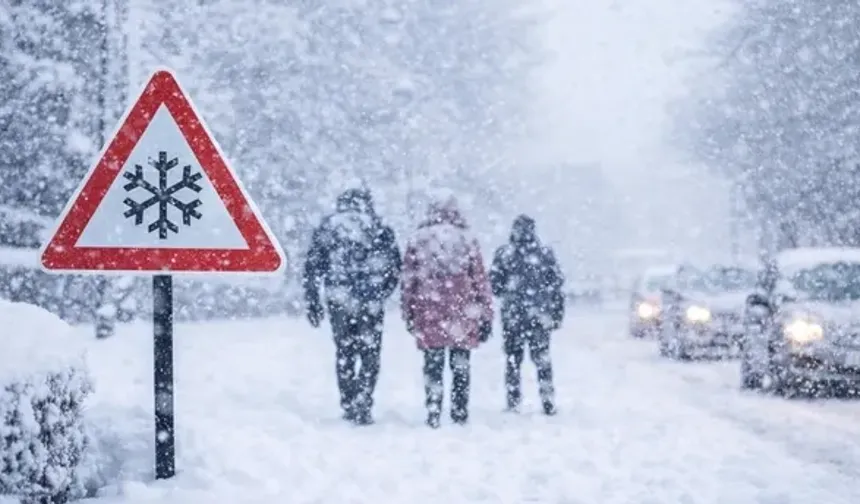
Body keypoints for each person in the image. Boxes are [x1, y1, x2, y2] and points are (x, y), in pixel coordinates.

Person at [302, 188, 402, 425]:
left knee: (344, 351)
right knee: (370, 353)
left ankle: (348, 401)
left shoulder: (329, 227)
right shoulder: (379, 227)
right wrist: (382, 291)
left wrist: (314, 300)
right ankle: (364, 401)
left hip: (339, 299)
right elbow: (395, 266)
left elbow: (313, 267)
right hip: (370, 301)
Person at [401, 197, 493, 428]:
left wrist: (408, 312)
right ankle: (459, 411)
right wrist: (485, 313)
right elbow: (480, 280)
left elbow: (409, 281)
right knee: (460, 364)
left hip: (428, 311)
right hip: (462, 312)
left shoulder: (418, 240)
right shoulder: (467, 239)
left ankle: (433, 409)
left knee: (433, 364)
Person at [490, 214, 565, 415]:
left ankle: (513, 400)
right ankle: (548, 400)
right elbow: (556, 286)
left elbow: (495, 286)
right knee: (542, 360)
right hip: (538, 315)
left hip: (513, 316)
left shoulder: (504, 254)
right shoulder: (545, 254)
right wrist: (556, 314)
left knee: (513, 360)